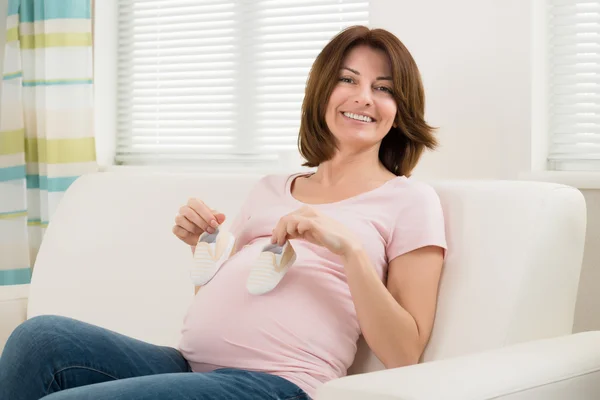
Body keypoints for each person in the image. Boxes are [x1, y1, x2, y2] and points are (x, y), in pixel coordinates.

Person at [0, 25, 447, 400]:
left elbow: (405, 351)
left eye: (383, 88)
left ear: (399, 110)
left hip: (275, 384)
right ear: (322, 90)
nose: (364, 97)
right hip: (190, 366)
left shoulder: (409, 200)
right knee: (38, 339)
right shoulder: (271, 188)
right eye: (348, 80)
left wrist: (349, 251)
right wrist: (204, 250)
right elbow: (228, 299)